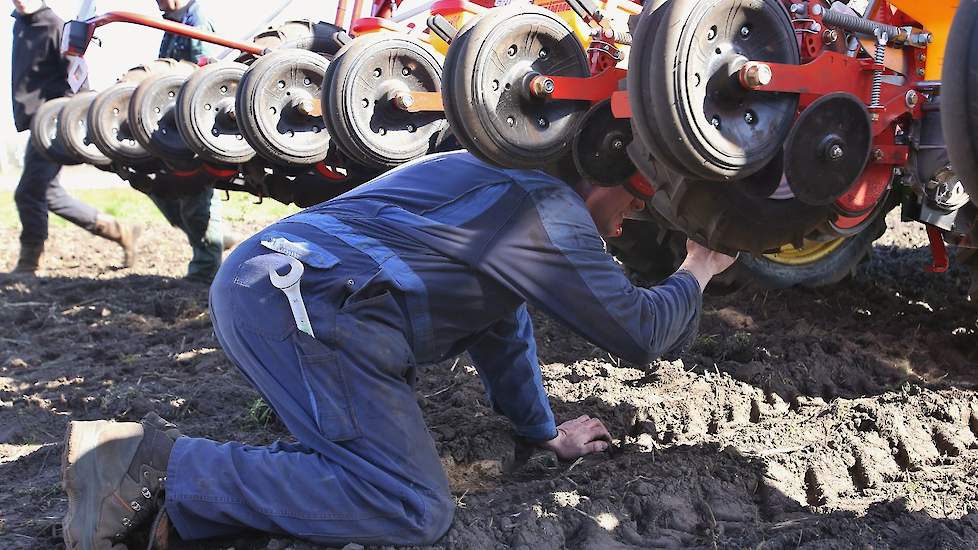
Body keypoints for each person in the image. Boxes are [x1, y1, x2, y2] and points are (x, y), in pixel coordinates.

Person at [60, 152, 736, 548]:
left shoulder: (498, 181)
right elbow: (642, 331)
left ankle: (178, 514)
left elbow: (502, 327)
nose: (630, 223)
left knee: (362, 460)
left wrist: (542, 432)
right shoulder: (545, 206)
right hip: (313, 309)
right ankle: (150, 463)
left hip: (277, 291)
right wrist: (700, 266)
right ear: (608, 163)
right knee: (412, 504)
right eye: (639, 201)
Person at [9, 0, 139, 274]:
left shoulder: (55, 26)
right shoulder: (21, 24)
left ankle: (29, 262)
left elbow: (77, 78)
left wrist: (72, 121)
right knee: (49, 193)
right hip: (35, 121)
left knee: (28, 193)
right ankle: (120, 231)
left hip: (53, 121)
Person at [149, 0, 233, 282]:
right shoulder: (171, 23)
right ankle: (214, 240)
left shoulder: (197, 20)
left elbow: (201, 70)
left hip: (194, 117)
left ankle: (206, 267)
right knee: (158, 185)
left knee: (194, 192)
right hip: (171, 119)